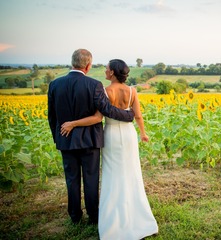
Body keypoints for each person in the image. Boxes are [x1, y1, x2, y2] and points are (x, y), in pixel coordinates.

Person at [61, 59, 158, 239]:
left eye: (106, 69)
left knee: (112, 174)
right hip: (129, 136)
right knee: (131, 173)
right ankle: (137, 215)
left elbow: (98, 117)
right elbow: (138, 116)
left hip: (112, 135)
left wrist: (73, 124)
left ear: (112, 72)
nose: (104, 71)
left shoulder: (105, 91)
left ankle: (113, 218)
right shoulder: (132, 91)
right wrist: (143, 133)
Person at [47, 49, 135, 225]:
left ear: (72, 62)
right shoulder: (94, 85)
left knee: (71, 179)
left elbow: (52, 116)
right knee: (91, 178)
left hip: (66, 140)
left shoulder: (55, 85)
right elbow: (106, 109)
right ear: (88, 66)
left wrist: (58, 138)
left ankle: (75, 216)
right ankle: (94, 216)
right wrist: (128, 115)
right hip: (90, 141)